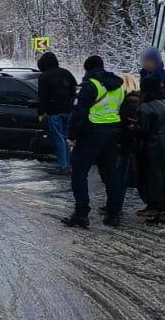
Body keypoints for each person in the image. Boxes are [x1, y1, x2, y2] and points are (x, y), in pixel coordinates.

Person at [61, 55, 126, 228]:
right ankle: (113, 214)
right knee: (111, 175)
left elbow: (78, 114)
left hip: (91, 134)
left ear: (87, 69)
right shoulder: (119, 86)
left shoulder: (89, 86)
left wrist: (72, 136)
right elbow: (122, 109)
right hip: (112, 134)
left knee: (79, 173)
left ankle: (81, 213)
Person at [136, 74, 165, 224]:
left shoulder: (145, 108)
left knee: (155, 180)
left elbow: (142, 130)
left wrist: (133, 127)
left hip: (154, 148)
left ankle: (158, 212)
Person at [36, 51, 78, 174]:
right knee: (66, 138)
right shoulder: (67, 73)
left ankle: (64, 166)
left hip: (54, 112)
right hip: (68, 111)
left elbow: (43, 96)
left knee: (58, 138)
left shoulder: (44, 77)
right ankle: (68, 164)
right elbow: (74, 90)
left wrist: (41, 112)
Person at [116, 74, 142, 214]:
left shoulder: (127, 102)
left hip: (126, 143)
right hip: (136, 144)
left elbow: (123, 123)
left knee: (120, 176)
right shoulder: (139, 100)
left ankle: (115, 207)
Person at [140, 48, 165, 116]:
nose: (146, 63)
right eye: (145, 61)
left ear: (155, 61)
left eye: (148, 61)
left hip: (161, 117)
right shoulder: (144, 75)